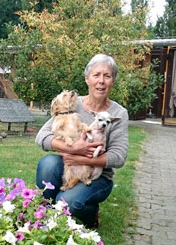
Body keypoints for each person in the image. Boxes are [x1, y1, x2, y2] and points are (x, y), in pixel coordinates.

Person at [35, 54, 129, 228]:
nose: (101, 81)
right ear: (87, 79)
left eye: (107, 76)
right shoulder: (72, 103)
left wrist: (80, 158)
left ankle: (88, 210)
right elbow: (41, 136)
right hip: (68, 166)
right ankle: (47, 211)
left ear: (112, 81)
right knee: (48, 163)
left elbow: (118, 157)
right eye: (96, 75)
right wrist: (72, 148)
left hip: (97, 176)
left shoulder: (119, 113)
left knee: (67, 203)